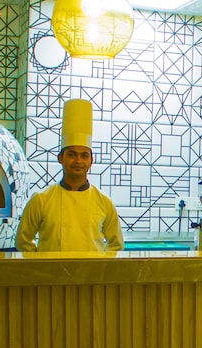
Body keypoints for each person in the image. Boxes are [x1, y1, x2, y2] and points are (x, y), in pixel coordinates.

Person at [15, 99, 124, 252]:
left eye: (84, 155)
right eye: (72, 154)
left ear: (91, 161)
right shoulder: (41, 199)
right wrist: (42, 262)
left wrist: (100, 264)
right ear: (61, 158)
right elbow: (23, 241)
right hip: (52, 268)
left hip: (92, 268)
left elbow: (117, 245)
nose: (78, 161)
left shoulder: (104, 202)